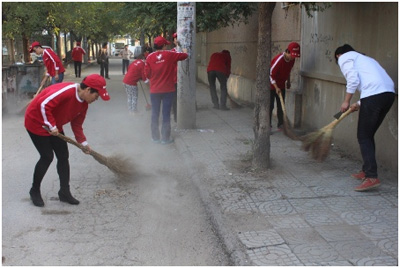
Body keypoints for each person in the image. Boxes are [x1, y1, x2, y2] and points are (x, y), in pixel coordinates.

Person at [24, 74, 110, 207]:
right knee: (47, 157)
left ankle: (64, 192)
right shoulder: (65, 92)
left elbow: (77, 125)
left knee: (63, 156)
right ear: (88, 90)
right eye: (96, 96)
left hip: (54, 125)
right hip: (37, 122)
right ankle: (34, 191)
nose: (96, 99)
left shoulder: (84, 105)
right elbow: (43, 104)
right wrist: (52, 125)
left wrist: (84, 143)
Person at [334, 44, 395, 192]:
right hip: (388, 95)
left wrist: (346, 101)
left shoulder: (344, 57)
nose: (339, 63)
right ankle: (367, 170)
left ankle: (372, 177)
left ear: (339, 55)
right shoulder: (367, 59)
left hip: (375, 96)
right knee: (368, 135)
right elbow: (375, 84)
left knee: (363, 136)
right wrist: (359, 103)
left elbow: (353, 80)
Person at [144, 36, 188, 144]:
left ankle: (155, 138)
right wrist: (183, 48)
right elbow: (185, 55)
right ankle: (165, 138)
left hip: (154, 91)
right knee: (166, 114)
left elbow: (147, 74)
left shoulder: (149, 57)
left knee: (155, 113)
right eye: (166, 44)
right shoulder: (170, 54)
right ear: (163, 45)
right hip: (168, 90)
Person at [269, 42, 300, 130]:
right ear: (288, 52)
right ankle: (268, 125)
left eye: (295, 56)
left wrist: (288, 81)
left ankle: (281, 124)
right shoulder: (279, 60)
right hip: (271, 85)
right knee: (270, 106)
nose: (293, 58)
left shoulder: (292, 60)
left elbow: (288, 70)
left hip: (281, 85)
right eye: (292, 55)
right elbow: (271, 74)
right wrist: (276, 87)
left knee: (281, 105)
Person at [170, 32, 181, 122]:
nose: (178, 40)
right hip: (175, 79)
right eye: (176, 38)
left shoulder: (186, 50)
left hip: (184, 79)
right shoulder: (172, 52)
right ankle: (177, 117)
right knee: (175, 98)